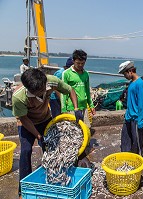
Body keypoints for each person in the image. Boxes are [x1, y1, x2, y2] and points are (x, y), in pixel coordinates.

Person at [12, 68, 82, 197]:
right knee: (26, 150)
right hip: (27, 123)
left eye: (44, 88)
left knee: (51, 149)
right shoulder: (19, 97)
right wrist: (38, 136)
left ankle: (54, 179)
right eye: (40, 91)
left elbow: (70, 90)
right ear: (30, 90)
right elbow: (23, 118)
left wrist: (76, 109)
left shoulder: (51, 81)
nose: (44, 91)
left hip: (45, 119)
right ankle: (24, 187)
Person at [118, 60, 143, 155]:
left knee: (137, 144)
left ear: (130, 71)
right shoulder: (131, 83)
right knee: (125, 142)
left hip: (136, 119)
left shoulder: (140, 83)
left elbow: (142, 104)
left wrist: (140, 121)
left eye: (124, 74)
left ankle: (137, 161)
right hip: (128, 117)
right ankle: (126, 158)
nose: (124, 76)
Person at [61, 49, 96, 128]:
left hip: (84, 107)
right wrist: (63, 110)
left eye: (82, 63)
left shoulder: (86, 74)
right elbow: (63, 93)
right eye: (78, 63)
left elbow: (87, 91)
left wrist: (91, 105)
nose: (80, 65)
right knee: (74, 131)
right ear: (73, 61)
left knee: (86, 129)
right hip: (71, 108)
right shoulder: (66, 73)